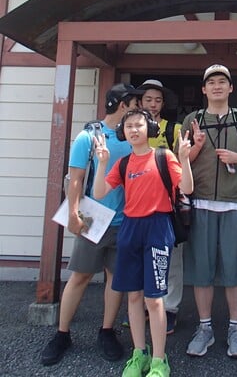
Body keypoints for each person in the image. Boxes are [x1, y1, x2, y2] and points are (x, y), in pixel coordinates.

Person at [40, 83, 142, 367]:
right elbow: (75, 178)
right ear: (123, 104)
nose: (138, 109)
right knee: (80, 276)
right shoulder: (89, 136)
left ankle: (107, 331)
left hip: (125, 221)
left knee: (115, 278)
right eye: (134, 103)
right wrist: (73, 214)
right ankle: (62, 334)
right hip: (94, 220)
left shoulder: (132, 137)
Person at [93, 108, 193, 377]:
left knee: (155, 298)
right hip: (130, 229)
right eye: (128, 126)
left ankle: (159, 360)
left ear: (149, 128)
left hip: (158, 228)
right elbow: (99, 192)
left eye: (138, 125)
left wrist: (185, 159)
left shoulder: (164, 156)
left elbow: (187, 188)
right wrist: (102, 163)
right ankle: (139, 353)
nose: (133, 130)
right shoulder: (123, 163)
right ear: (122, 132)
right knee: (134, 295)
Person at [182, 64, 237, 359]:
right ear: (204, 89)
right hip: (200, 201)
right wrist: (196, 146)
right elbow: (181, 160)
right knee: (201, 269)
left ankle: (235, 328)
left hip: (235, 202)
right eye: (211, 82)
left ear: (231, 88)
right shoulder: (193, 120)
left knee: (235, 269)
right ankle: (205, 328)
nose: (217, 86)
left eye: (222, 82)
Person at [139, 78, 183, 336]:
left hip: (168, 203)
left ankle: (171, 308)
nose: (153, 104)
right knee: (142, 258)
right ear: (140, 102)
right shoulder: (133, 128)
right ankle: (144, 308)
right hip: (137, 203)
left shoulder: (174, 130)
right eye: (148, 99)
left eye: (157, 100)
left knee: (172, 259)